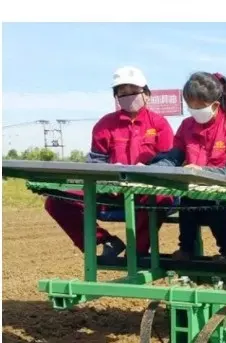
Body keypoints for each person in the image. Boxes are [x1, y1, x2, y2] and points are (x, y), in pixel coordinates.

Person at [45, 66, 175, 258]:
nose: (128, 96)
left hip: (147, 190)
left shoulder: (159, 124)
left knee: (161, 198)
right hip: (112, 191)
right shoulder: (105, 125)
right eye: (122, 92)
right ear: (116, 97)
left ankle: (137, 253)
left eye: (133, 91)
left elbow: (169, 161)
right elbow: (95, 161)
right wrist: (106, 178)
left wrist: (147, 173)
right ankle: (105, 241)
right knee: (56, 201)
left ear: (147, 94)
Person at [148, 72, 226, 262]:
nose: (195, 111)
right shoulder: (186, 126)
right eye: (191, 106)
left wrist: (201, 172)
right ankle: (186, 250)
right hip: (196, 192)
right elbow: (174, 157)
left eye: (200, 107)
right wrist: (152, 168)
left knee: (216, 204)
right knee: (188, 202)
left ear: (215, 104)